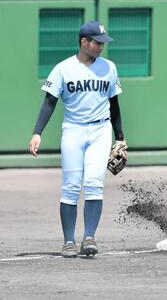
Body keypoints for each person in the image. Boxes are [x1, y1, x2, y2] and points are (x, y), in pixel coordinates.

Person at [28, 21, 127, 258]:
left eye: (103, 42)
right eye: (97, 42)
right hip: (73, 130)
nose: (101, 46)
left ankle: (89, 238)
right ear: (84, 42)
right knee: (71, 187)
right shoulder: (63, 69)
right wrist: (37, 132)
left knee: (94, 183)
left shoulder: (109, 68)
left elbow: (114, 104)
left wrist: (120, 138)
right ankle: (69, 241)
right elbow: (49, 102)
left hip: (101, 131)